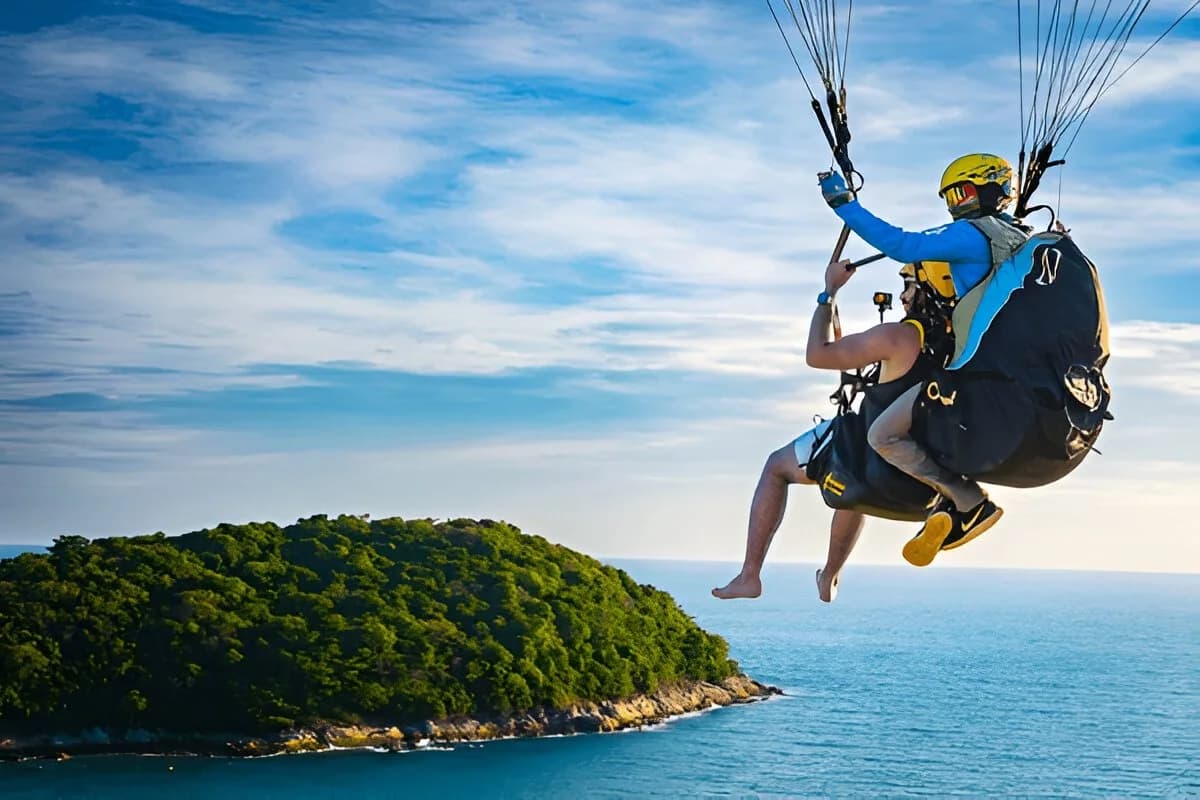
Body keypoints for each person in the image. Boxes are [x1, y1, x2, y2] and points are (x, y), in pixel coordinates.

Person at [816, 154, 1023, 565]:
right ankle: (955, 506)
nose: (956, 204)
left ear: (989, 189)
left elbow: (905, 245)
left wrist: (845, 206)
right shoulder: (1020, 240)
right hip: (1012, 370)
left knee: (882, 434)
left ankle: (967, 500)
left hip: (976, 369)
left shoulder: (972, 235)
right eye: (950, 196)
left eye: (962, 192)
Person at [712, 257, 952, 604]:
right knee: (857, 476)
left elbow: (817, 355)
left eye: (909, 287)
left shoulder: (898, 337)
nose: (902, 297)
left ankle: (750, 575)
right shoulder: (959, 342)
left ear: (924, 290)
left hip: (873, 463)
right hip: (922, 484)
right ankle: (831, 573)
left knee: (778, 466)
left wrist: (829, 293)